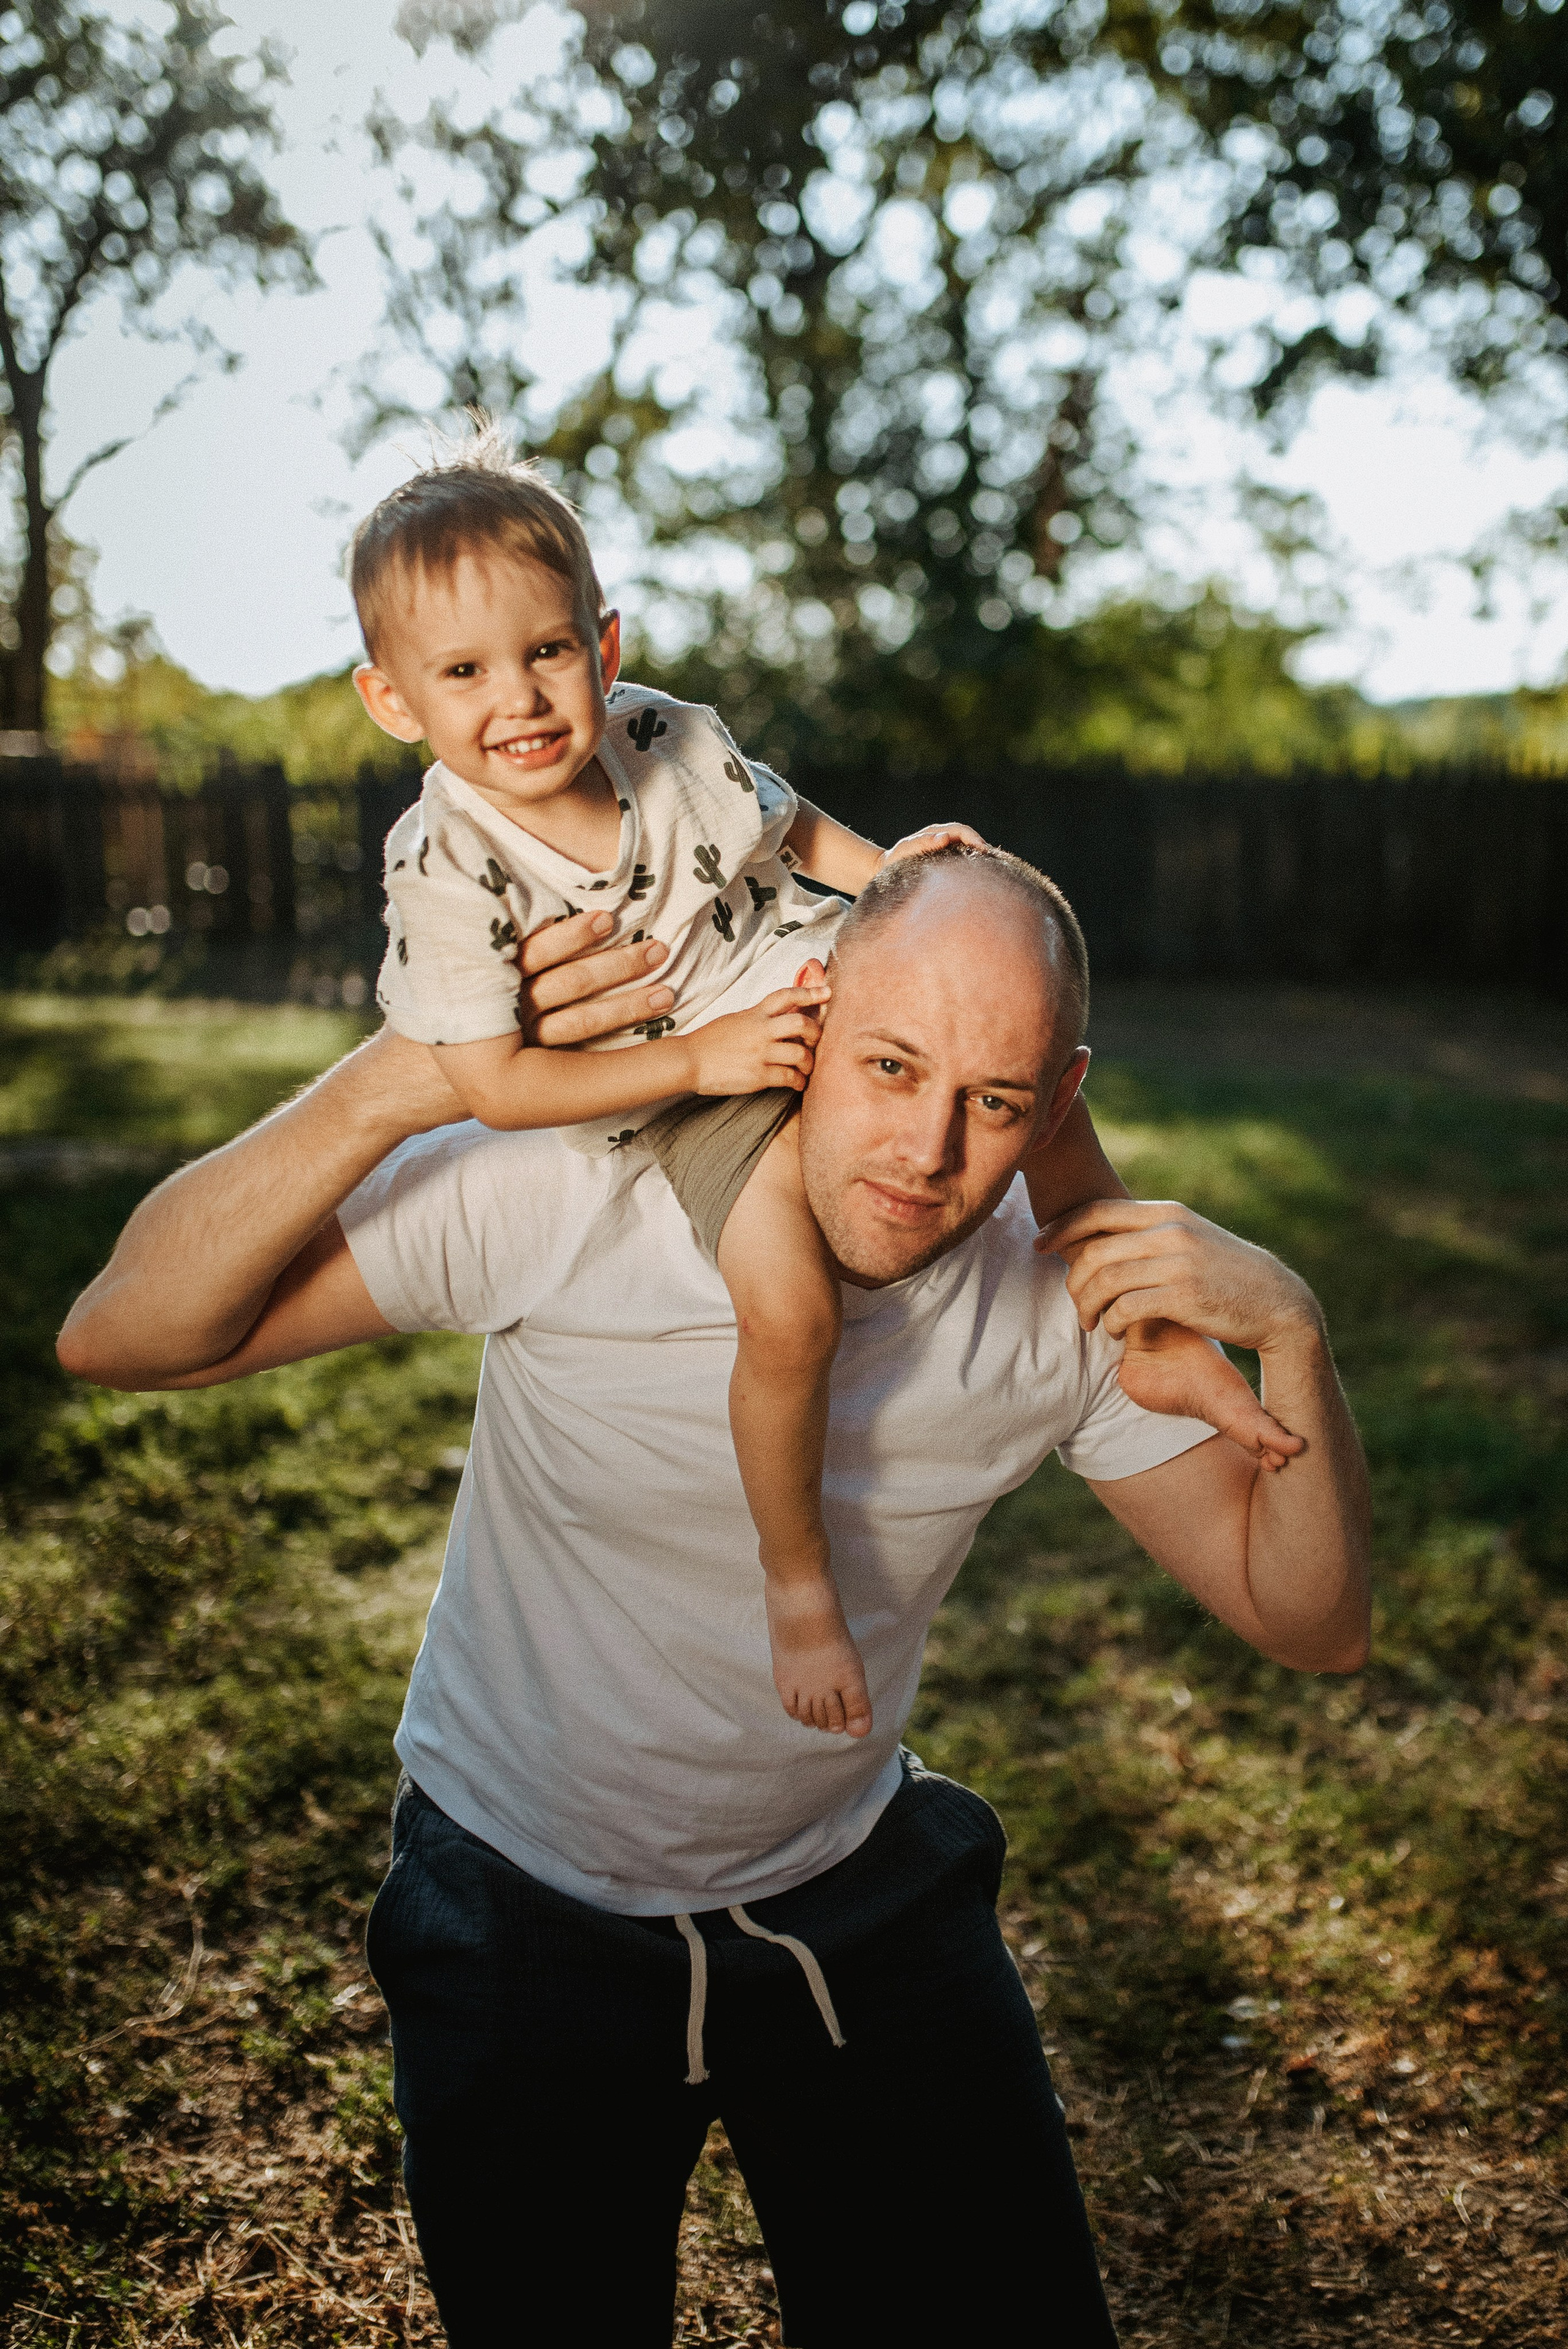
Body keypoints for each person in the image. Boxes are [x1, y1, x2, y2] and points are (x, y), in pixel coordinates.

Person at [58, 848, 1371, 2348]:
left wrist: (1294, 1335)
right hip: (519, 1901)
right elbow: (124, 1333)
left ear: (1057, 1104)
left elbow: (1310, 1621)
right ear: (808, 1009)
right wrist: (405, 1078)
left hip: (850, 1895)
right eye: (887, 1065)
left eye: (993, 1102)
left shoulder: (1056, 1301)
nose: (925, 1149)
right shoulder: (583, 1185)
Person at [346, 421, 1298, 1741]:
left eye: (546, 652)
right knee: (790, 1312)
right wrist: (696, 1060)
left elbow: (782, 824)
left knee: (1006, 1063)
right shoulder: (447, 869)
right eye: (463, 671)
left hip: (797, 971)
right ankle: (797, 1582)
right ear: (392, 700)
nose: (517, 699)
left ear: (603, 648)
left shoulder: (662, 737)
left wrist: (890, 881)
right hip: (685, 1069)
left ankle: (1150, 1331)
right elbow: (496, 1085)